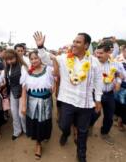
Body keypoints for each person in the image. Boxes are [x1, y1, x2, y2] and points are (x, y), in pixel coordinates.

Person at [34, 31, 102, 162]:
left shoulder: (94, 62)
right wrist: (41, 47)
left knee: (83, 132)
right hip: (67, 101)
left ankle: (81, 155)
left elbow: (98, 81)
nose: (74, 44)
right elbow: (47, 59)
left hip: (86, 103)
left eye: (78, 42)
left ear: (86, 45)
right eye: (74, 41)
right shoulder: (64, 58)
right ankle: (66, 133)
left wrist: (98, 100)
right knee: (64, 125)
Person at [20, 50, 59, 159]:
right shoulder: (27, 71)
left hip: (46, 101)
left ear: (40, 58)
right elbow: (24, 89)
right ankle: (38, 144)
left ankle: (44, 136)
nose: (34, 60)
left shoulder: (48, 69)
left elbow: (56, 74)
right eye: (31, 59)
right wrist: (23, 105)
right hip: (32, 102)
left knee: (45, 121)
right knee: (36, 123)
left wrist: (54, 59)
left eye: (36, 58)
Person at [93, 43, 124, 145]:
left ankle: (105, 133)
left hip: (110, 94)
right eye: (97, 52)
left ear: (108, 53)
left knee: (109, 116)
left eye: (101, 53)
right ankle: (89, 126)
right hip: (96, 94)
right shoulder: (93, 63)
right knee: (95, 114)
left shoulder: (115, 63)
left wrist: (119, 82)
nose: (98, 55)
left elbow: (121, 74)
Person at [4, 49, 27, 140]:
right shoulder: (7, 67)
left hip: (22, 92)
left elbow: (25, 82)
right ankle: (17, 131)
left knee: (22, 113)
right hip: (12, 92)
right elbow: (8, 80)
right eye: (7, 59)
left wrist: (23, 94)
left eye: (11, 59)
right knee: (14, 112)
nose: (9, 61)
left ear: (16, 57)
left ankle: (26, 129)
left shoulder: (22, 66)